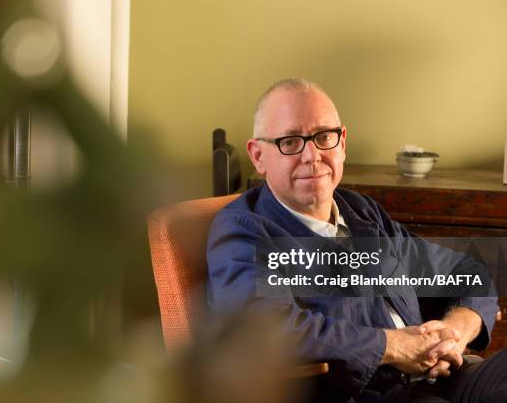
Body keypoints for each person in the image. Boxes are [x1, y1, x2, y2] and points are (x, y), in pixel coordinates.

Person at [206, 78, 506, 402]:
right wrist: (394, 346)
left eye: (324, 137)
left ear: (342, 143)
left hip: (442, 375)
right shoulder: (243, 230)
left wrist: (456, 333)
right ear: (258, 156)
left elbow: (466, 271)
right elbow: (268, 330)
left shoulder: (361, 210)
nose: (312, 156)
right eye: (290, 142)